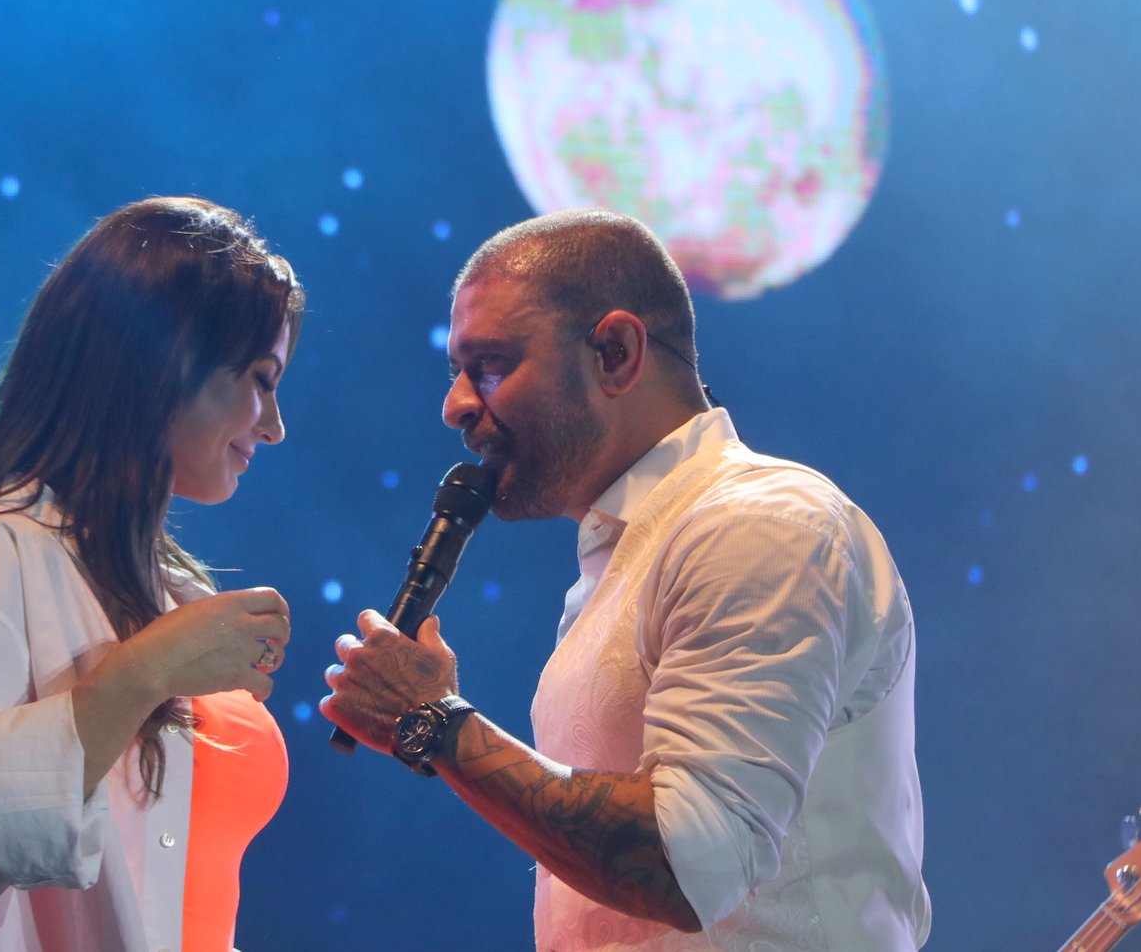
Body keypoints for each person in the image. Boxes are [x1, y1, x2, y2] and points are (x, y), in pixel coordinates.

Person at [321, 208, 930, 951]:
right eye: (456, 371)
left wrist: (436, 722)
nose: (456, 405)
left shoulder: (759, 524)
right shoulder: (623, 560)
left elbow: (688, 862)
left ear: (614, 351)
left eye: (491, 364)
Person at [0, 196, 304, 952]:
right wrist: (145, 671)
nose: (273, 424)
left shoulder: (166, 586)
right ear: (171, 360)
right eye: (262, 380)